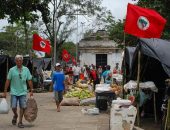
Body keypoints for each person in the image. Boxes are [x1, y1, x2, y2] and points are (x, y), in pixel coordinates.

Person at [3, 55, 33, 128]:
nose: (18, 62)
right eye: (17, 60)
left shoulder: (26, 69)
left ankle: (20, 122)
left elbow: (29, 80)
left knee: (22, 107)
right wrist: (5, 90)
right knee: (13, 106)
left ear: (22, 61)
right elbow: (8, 80)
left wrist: (31, 90)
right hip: (14, 91)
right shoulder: (12, 70)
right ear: (15, 61)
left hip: (23, 91)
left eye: (20, 60)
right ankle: (15, 115)